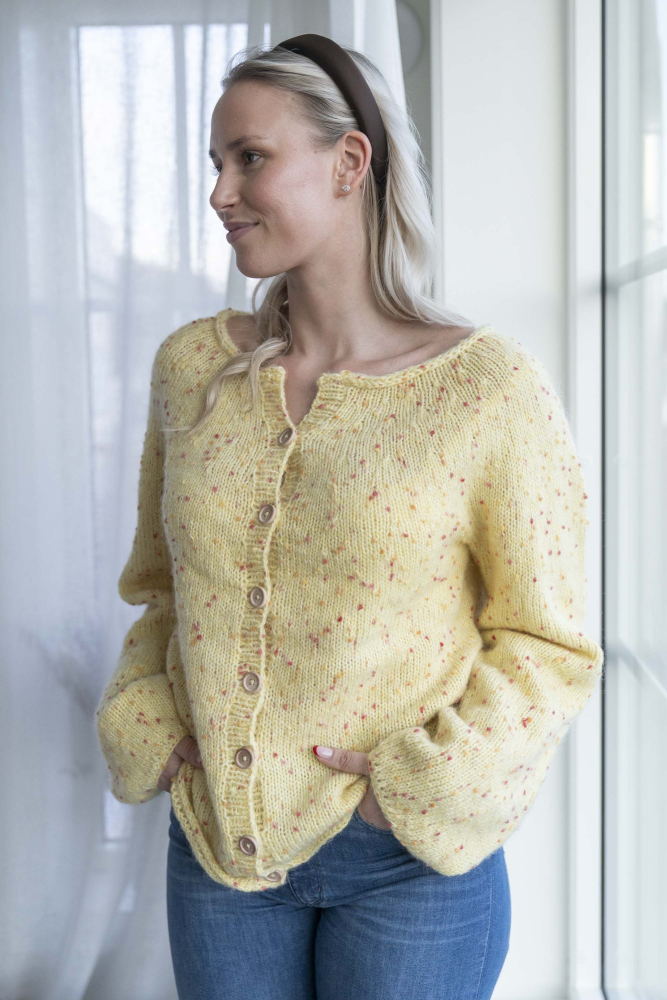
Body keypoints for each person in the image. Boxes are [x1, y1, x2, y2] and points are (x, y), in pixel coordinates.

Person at [95, 34, 604, 1000]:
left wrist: (412, 791)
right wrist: (152, 727)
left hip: (407, 865)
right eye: (215, 162)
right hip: (221, 850)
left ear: (349, 161)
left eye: (250, 157)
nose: (220, 192)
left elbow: (548, 642)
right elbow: (160, 589)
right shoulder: (193, 371)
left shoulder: (486, 390)